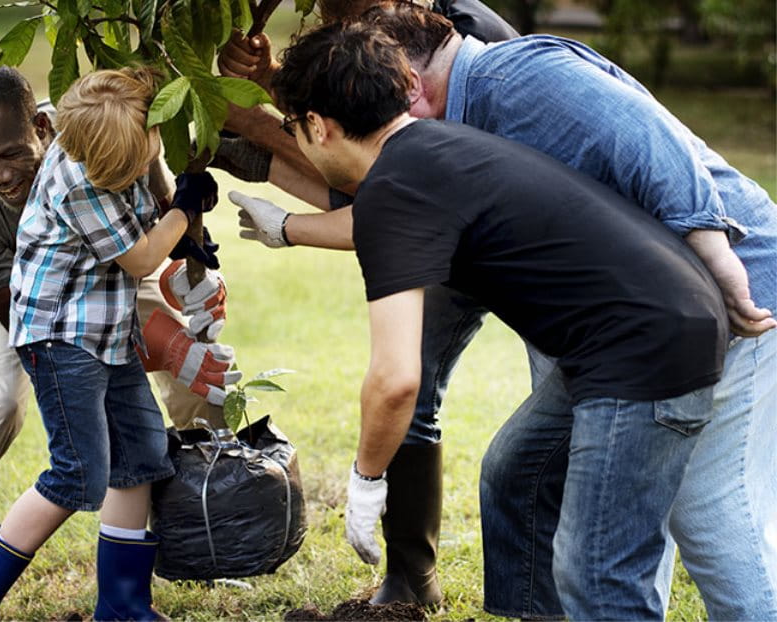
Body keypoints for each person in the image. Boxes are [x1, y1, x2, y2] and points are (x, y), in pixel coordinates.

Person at [268, 21, 730, 620]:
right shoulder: (432, 150)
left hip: (640, 352)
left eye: (294, 130)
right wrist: (284, 228)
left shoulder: (398, 184)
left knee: (597, 573)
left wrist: (366, 481)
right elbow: (384, 226)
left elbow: (396, 381)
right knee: (518, 475)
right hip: (653, 324)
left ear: (316, 126)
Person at [216, 0, 520, 606]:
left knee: (539, 434)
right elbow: (361, 156)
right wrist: (268, 82)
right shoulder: (358, 39)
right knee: (418, 391)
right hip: (446, 240)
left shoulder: (463, 39)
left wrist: (246, 121)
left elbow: (379, 179)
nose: (333, 16)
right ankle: (411, 580)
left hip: (525, 245)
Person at [0, 66, 231, 607]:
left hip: (102, 321)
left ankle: (123, 604)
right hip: (58, 334)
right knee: (78, 475)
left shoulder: (94, 129)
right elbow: (141, 254)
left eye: (9, 154)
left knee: (143, 455)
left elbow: (145, 211)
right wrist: (183, 209)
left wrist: (184, 228)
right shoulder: (77, 182)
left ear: (43, 126)